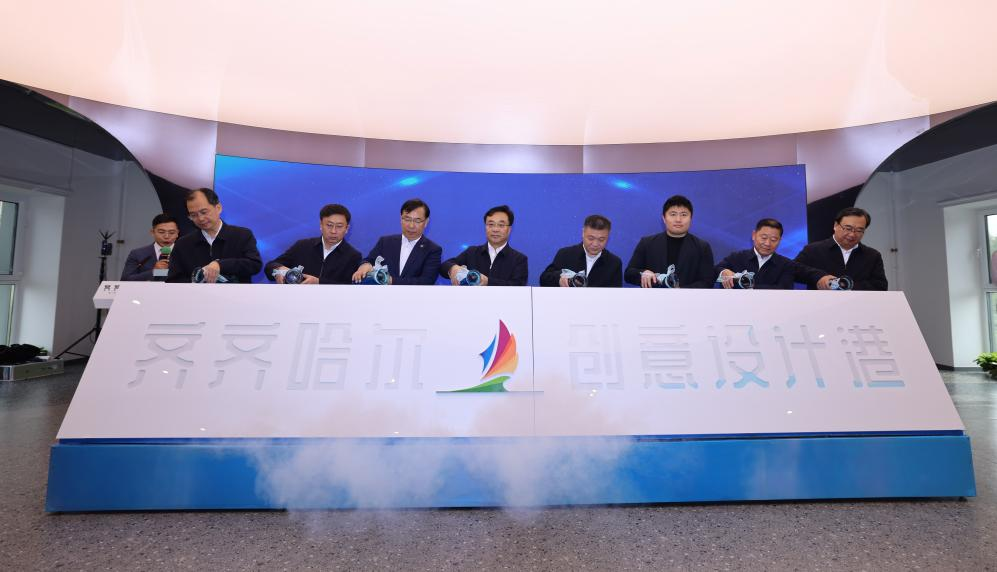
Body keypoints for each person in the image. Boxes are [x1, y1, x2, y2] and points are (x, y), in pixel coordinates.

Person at [166, 188, 262, 283]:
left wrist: (220, 265)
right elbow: (173, 279)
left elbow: (254, 264)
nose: (201, 218)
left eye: (204, 212)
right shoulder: (183, 244)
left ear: (218, 208)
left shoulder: (242, 235)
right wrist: (197, 280)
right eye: (193, 215)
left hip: (236, 293)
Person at [624, 194, 715, 288]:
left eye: (684, 215)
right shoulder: (647, 243)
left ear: (691, 218)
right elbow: (628, 274)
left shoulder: (702, 247)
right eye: (673, 214)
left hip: (688, 297)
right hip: (653, 297)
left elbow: (707, 282)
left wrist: (681, 291)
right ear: (664, 218)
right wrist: (643, 273)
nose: (678, 219)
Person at [715, 218, 830, 289]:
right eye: (763, 237)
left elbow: (784, 288)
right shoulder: (737, 257)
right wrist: (724, 271)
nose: (767, 243)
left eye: (774, 239)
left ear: (780, 240)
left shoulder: (785, 265)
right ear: (754, 235)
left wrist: (749, 285)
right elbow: (715, 270)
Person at [264, 203, 362, 284]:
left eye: (339, 226)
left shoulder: (353, 256)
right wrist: (279, 270)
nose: (333, 231)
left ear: (347, 229)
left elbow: (349, 287)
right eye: (329, 225)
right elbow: (270, 266)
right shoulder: (302, 246)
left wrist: (319, 282)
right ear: (321, 225)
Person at [794, 206, 888, 291]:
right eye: (848, 228)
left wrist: (847, 286)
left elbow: (880, 286)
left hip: (858, 303)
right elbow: (794, 271)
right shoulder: (813, 250)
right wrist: (819, 277)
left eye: (859, 230)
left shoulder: (872, 256)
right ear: (835, 225)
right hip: (821, 303)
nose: (852, 234)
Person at [351, 198, 442, 285]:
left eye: (417, 221)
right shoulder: (385, 242)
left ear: (426, 222)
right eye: (407, 219)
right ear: (401, 219)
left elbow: (426, 281)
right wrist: (365, 265)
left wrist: (390, 281)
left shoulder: (432, 250)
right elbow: (370, 260)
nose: (411, 225)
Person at [439, 205, 528, 286]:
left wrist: (488, 282)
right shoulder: (472, 252)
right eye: (491, 224)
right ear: (485, 227)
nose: (495, 229)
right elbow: (444, 267)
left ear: (509, 229)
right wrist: (452, 268)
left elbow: (518, 285)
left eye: (501, 225)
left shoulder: (519, 259)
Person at [540, 214, 622, 287]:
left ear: (608, 237)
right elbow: (544, 279)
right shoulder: (565, 254)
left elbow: (616, 295)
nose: (595, 244)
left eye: (601, 240)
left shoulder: (614, 263)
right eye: (591, 238)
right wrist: (559, 279)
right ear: (583, 233)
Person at [120, 214, 179, 281]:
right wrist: (154, 272)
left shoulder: (184, 253)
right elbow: (125, 280)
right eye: (161, 232)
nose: (166, 236)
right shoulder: (137, 254)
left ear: (177, 233)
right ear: (152, 232)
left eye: (171, 233)